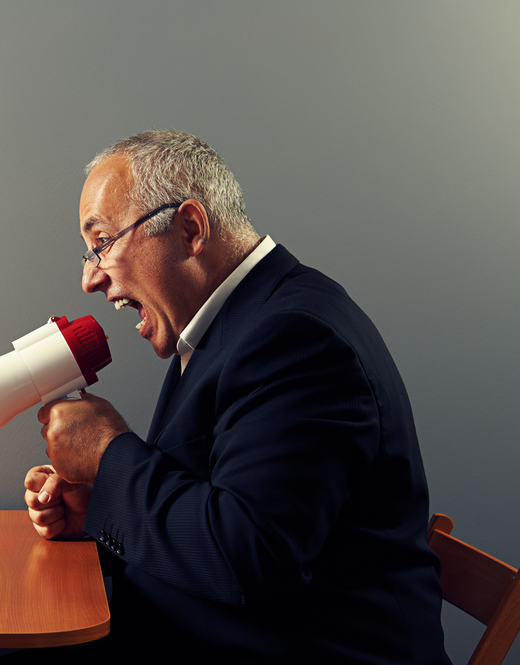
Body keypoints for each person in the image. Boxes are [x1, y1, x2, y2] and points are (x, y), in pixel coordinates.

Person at [24, 131, 451, 663]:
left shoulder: (295, 339)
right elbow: (217, 503)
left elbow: (248, 558)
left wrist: (111, 457)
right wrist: (102, 506)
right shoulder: (236, 323)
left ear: (190, 229)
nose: (90, 278)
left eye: (103, 243)